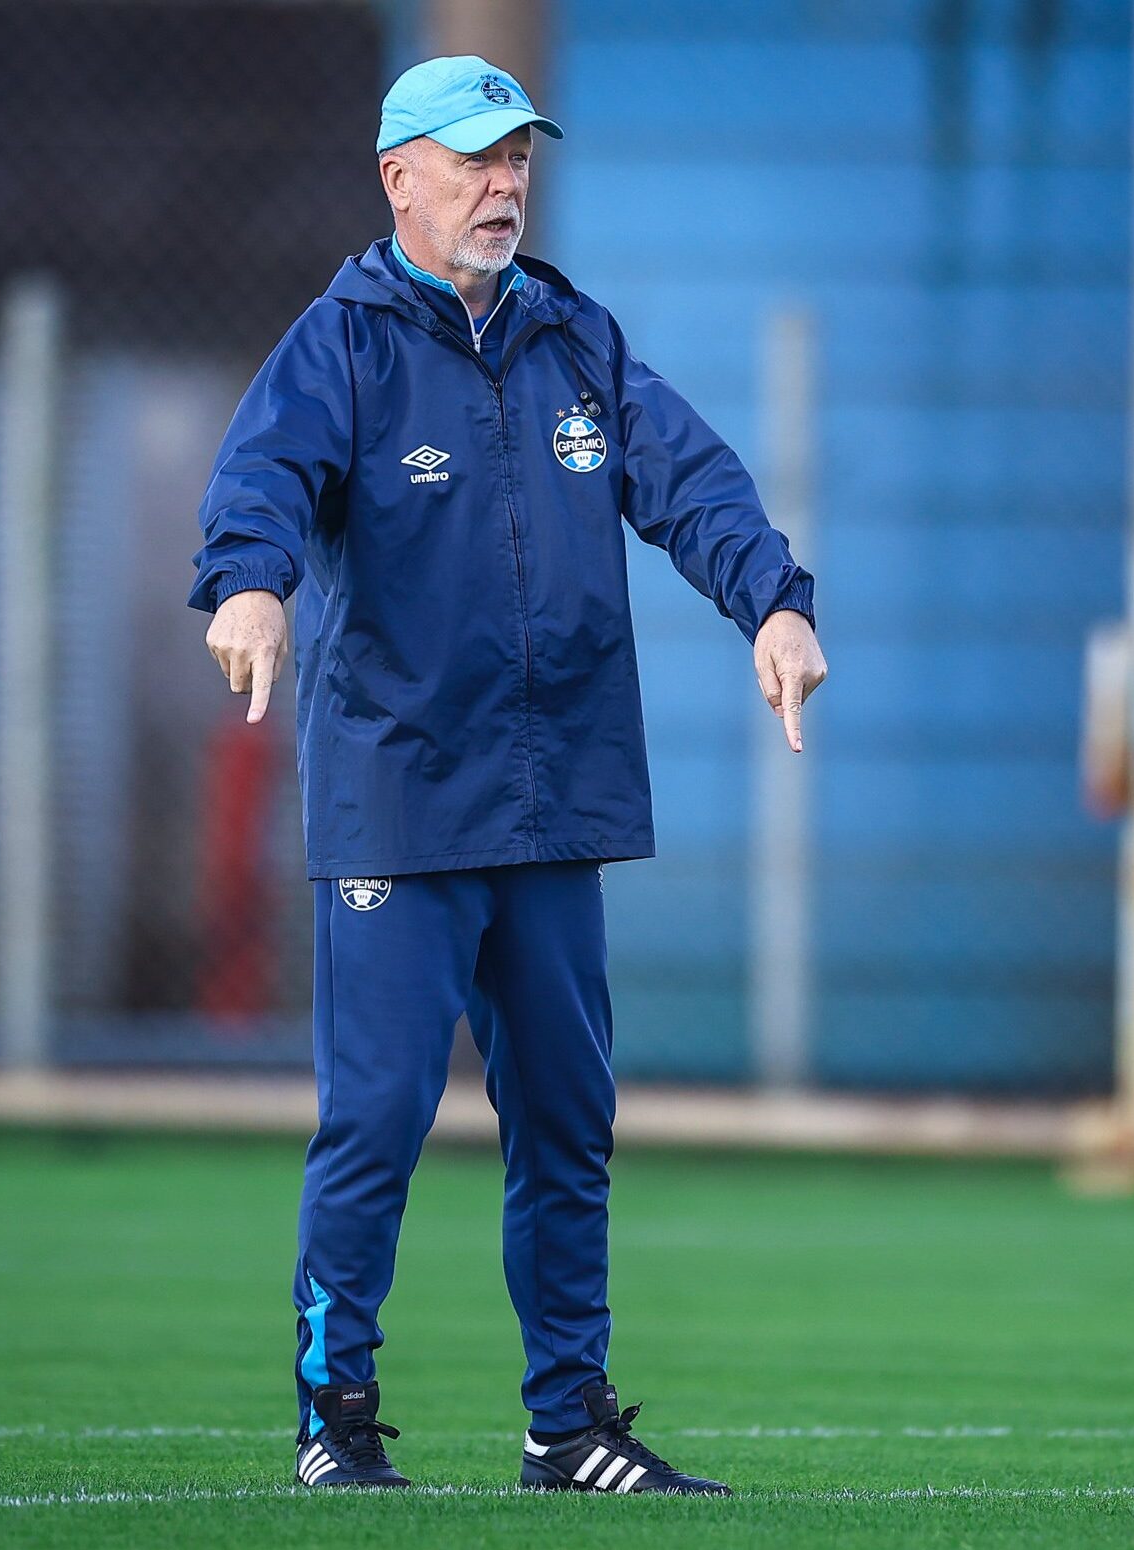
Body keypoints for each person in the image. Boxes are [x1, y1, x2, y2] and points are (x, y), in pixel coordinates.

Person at [188, 54, 826, 1496]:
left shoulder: (572, 337)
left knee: (567, 1120)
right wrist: (250, 588)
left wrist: (775, 602)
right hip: (400, 803)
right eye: (473, 159)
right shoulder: (340, 343)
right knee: (377, 1117)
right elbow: (263, 485)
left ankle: (568, 1424)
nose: (504, 184)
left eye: (517, 157)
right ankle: (332, 1418)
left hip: (557, 798)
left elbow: (693, 482)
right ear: (396, 176)